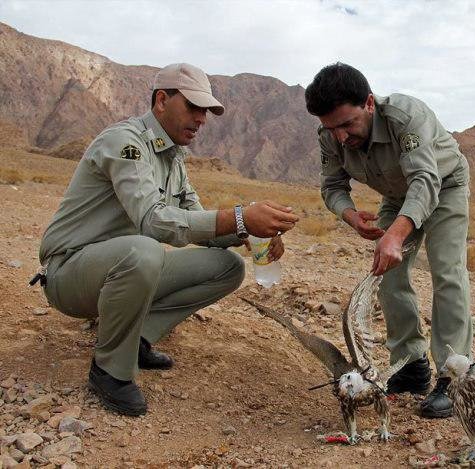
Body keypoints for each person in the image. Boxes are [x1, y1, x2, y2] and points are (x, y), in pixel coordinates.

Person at [34, 63, 300, 416]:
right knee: (144, 249)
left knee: (227, 267)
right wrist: (239, 215)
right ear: (162, 100)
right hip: (70, 275)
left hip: (125, 269)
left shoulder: (174, 159)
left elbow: (198, 220)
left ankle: (138, 339)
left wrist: (248, 233)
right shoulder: (125, 143)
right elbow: (154, 221)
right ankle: (110, 370)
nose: (201, 119)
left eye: (205, 111)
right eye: (193, 107)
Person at [305, 63, 472, 418]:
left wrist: (396, 234)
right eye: (330, 128)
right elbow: (332, 186)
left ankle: (454, 378)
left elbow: (425, 180)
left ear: (368, 103)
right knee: (388, 276)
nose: (340, 137)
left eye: (347, 125)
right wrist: (351, 217)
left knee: (447, 272)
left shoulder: (405, 117)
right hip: (396, 197)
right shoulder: (331, 136)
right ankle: (411, 365)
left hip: (444, 186)